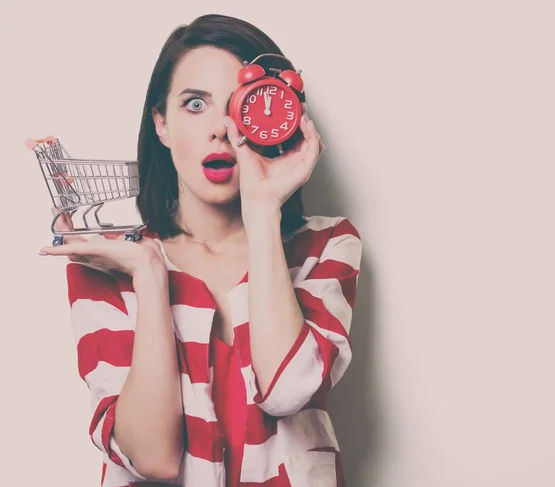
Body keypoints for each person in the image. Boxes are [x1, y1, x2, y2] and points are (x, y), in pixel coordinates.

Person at [39, 13, 362, 487]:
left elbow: (289, 389)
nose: (219, 130)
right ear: (161, 124)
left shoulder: (326, 244)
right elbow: (152, 458)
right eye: (195, 104)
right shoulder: (110, 261)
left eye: (238, 107)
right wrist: (149, 278)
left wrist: (262, 208)